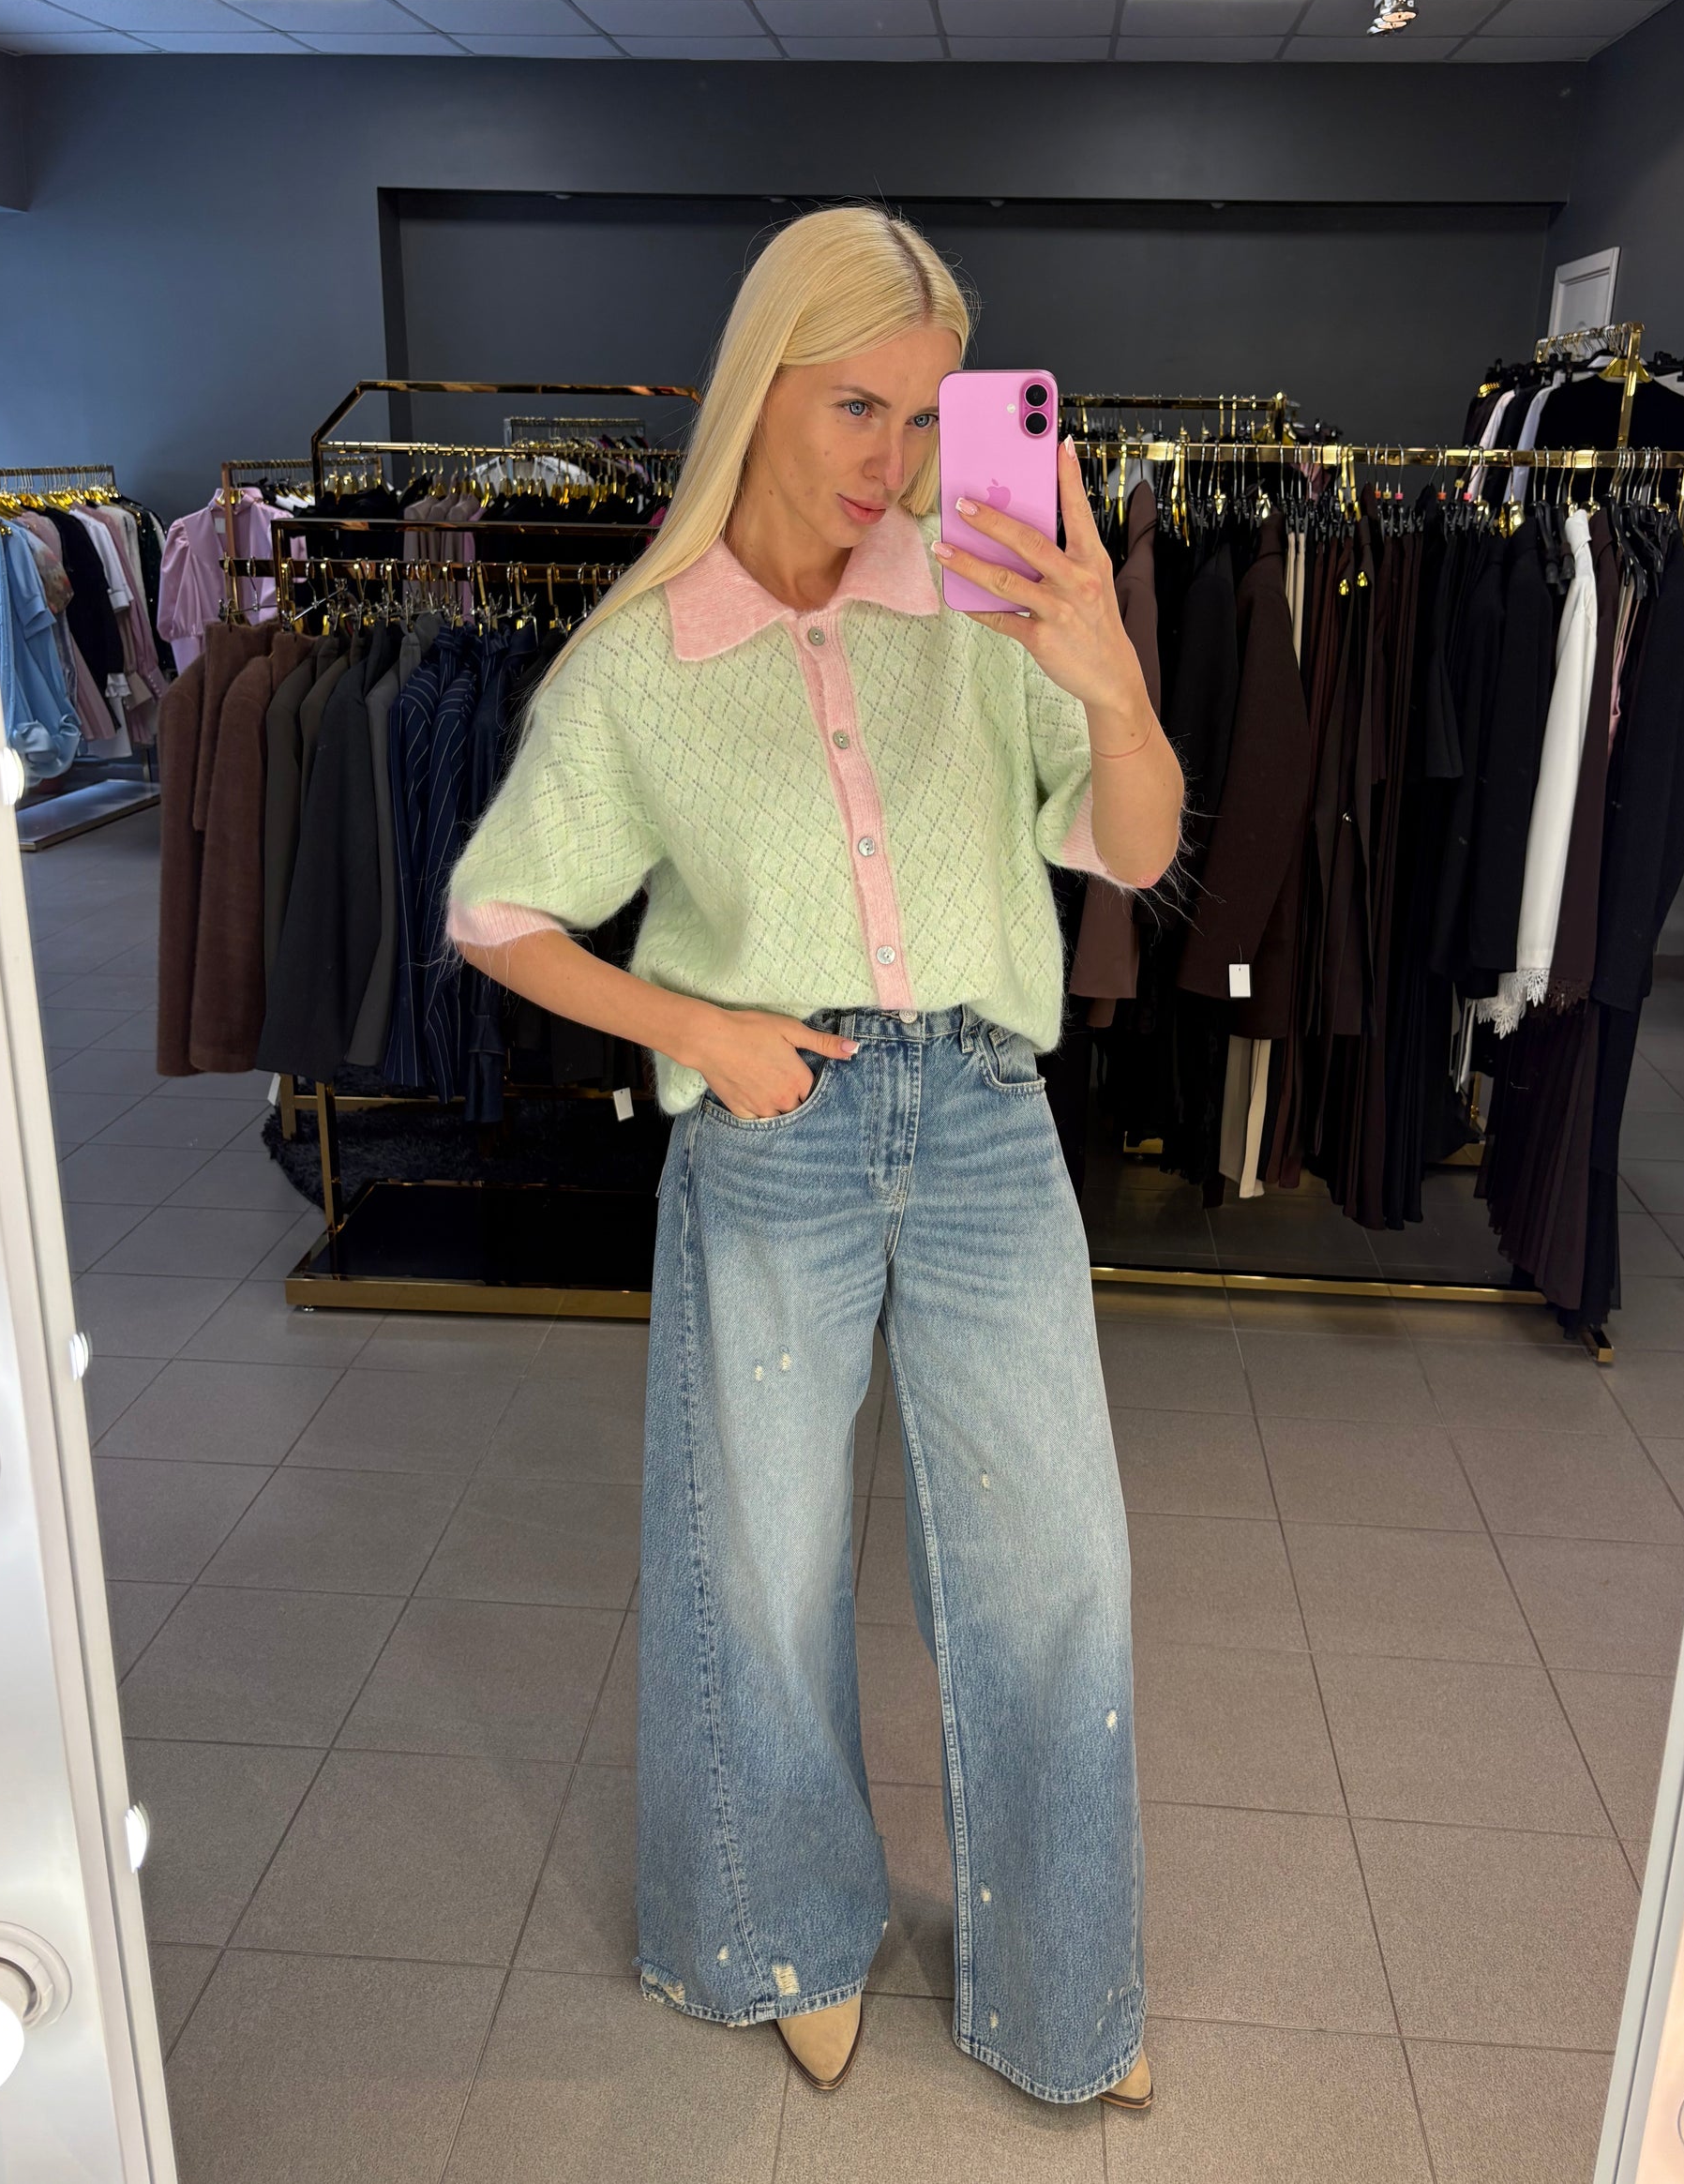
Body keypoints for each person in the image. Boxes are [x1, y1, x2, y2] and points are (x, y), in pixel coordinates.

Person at [448, 205, 1182, 2111]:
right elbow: (498, 911)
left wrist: (1107, 675)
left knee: (1056, 1564)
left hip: (987, 1118)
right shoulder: (639, 661)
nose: (895, 457)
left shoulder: (980, 601)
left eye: (929, 416)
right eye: (858, 404)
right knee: (758, 1563)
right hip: (772, 1128)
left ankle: (1066, 1985)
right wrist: (698, 1031)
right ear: (756, 385)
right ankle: (782, 1926)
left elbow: (1129, 846)